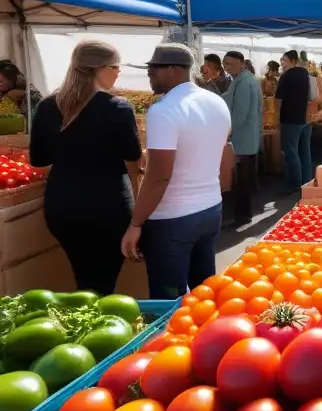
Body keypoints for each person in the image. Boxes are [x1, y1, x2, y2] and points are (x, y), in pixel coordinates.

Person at [120, 44, 231, 299]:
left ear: (171, 71)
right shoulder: (216, 102)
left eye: (153, 70)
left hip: (172, 219)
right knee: (204, 293)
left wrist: (136, 223)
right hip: (210, 209)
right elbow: (221, 151)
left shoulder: (163, 110)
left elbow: (159, 176)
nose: (149, 76)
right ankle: (204, 336)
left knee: (168, 299)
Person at [29, 41, 142, 295]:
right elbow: (132, 154)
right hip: (109, 206)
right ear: (99, 69)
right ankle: (100, 328)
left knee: (84, 276)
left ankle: (87, 321)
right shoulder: (117, 107)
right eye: (116, 67)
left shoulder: (48, 106)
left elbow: (38, 159)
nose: (117, 73)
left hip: (62, 206)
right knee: (103, 281)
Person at [221, 51, 262, 225]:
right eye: (225, 64)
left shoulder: (244, 82)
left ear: (241, 63)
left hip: (242, 139)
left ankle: (242, 216)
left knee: (242, 180)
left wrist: (228, 132)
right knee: (244, 179)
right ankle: (243, 214)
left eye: (229, 63)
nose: (226, 67)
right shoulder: (246, 79)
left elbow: (240, 114)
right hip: (248, 137)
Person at [275, 50, 315, 192]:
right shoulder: (307, 75)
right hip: (306, 119)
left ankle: (294, 184)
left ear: (293, 61)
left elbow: (278, 100)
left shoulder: (285, 76)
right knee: (305, 151)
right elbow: (312, 97)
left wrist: (276, 114)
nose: (282, 63)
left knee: (291, 152)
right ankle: (307, 181)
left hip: (290, 119)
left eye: (284, 60)